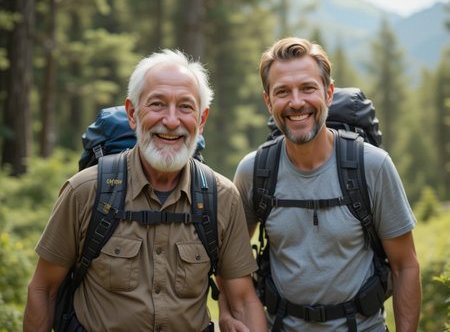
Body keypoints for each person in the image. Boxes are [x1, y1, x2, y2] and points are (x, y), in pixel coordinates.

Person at [23, 49, 267, 332]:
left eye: (186, 107)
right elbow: (44, 290)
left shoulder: (221, 197)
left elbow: (243, 301)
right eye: (158, 104)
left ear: (201, 121)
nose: (172, 121)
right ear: (133, 113)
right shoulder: (85, 192)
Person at [219, 37, 421, 332]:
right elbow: (230, 259)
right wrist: (226, 312)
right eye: (283, 92)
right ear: (268, 101)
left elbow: (406, 266)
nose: (297, 102)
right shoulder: (254, 171)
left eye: (308, 88)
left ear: (328, 94)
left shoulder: (372, 166)